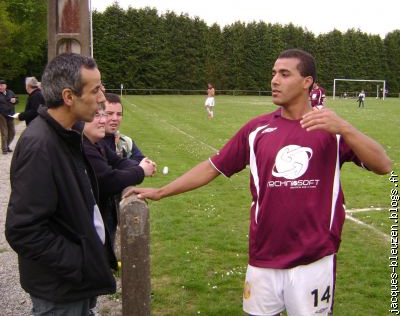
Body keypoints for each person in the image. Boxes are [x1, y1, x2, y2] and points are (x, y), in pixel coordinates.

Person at [124, 49, 392, 316]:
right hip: (264, 258)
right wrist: (161, 191)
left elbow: (383, 165)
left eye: (284, 74)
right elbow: (211, 167)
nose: (274, 80)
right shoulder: (257, 129)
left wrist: (346, 128)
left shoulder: (330, 130)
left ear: (307, 82)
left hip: (314, 260)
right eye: (274, 73)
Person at [5, 53, 117, 316]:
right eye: (95, 89)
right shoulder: (40, 146)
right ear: (69, 97)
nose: (102, 97)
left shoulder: (67, 135)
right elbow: (23, 230)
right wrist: (80, 262)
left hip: (76, 285)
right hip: (61, 291)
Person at [83, 102, 156, 247]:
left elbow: (118, 162)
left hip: (101, 213)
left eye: (118, 114)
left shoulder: (98, 143)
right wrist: (140, 170)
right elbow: (108, 180)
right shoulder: (86, 145)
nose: (106, 120)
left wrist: (143, 165)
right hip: (88, 222)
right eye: (99, 115)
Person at [101, 92, 147, 162]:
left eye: (119, 114)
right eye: (109, 113)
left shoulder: (126, 142)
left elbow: (142, 163)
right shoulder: (87, 143)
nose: (115, 118)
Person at [0, 79, 17, 154]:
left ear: (5, 86)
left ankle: (7, 145)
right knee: (4, 132)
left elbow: (16, 100)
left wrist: (15, 100)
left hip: (10, 114)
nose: (0, 87)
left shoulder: (10, 92)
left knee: (12, 132)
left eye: (2, 85)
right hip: (1, 115)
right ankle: (4, 149)